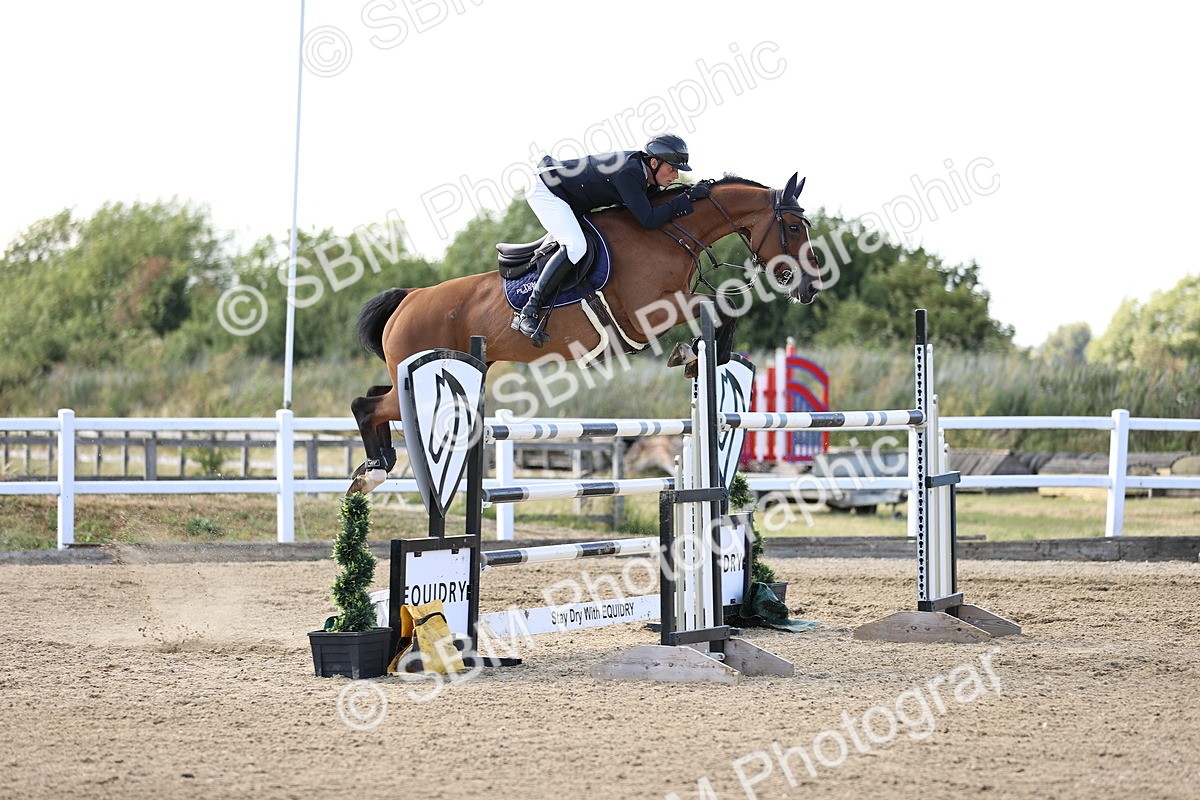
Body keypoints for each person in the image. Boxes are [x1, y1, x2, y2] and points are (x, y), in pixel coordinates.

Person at [516, 133, 712, 343]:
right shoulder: (629, 173)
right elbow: (648, 219)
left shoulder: (643, 173)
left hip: (571, 195)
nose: (675, 176)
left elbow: (652, 207)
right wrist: (688, 198)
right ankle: (528, 311)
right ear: (654, 162)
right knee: (575, 246)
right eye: (672, 169)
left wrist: (689, 194)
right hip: (546, 188)